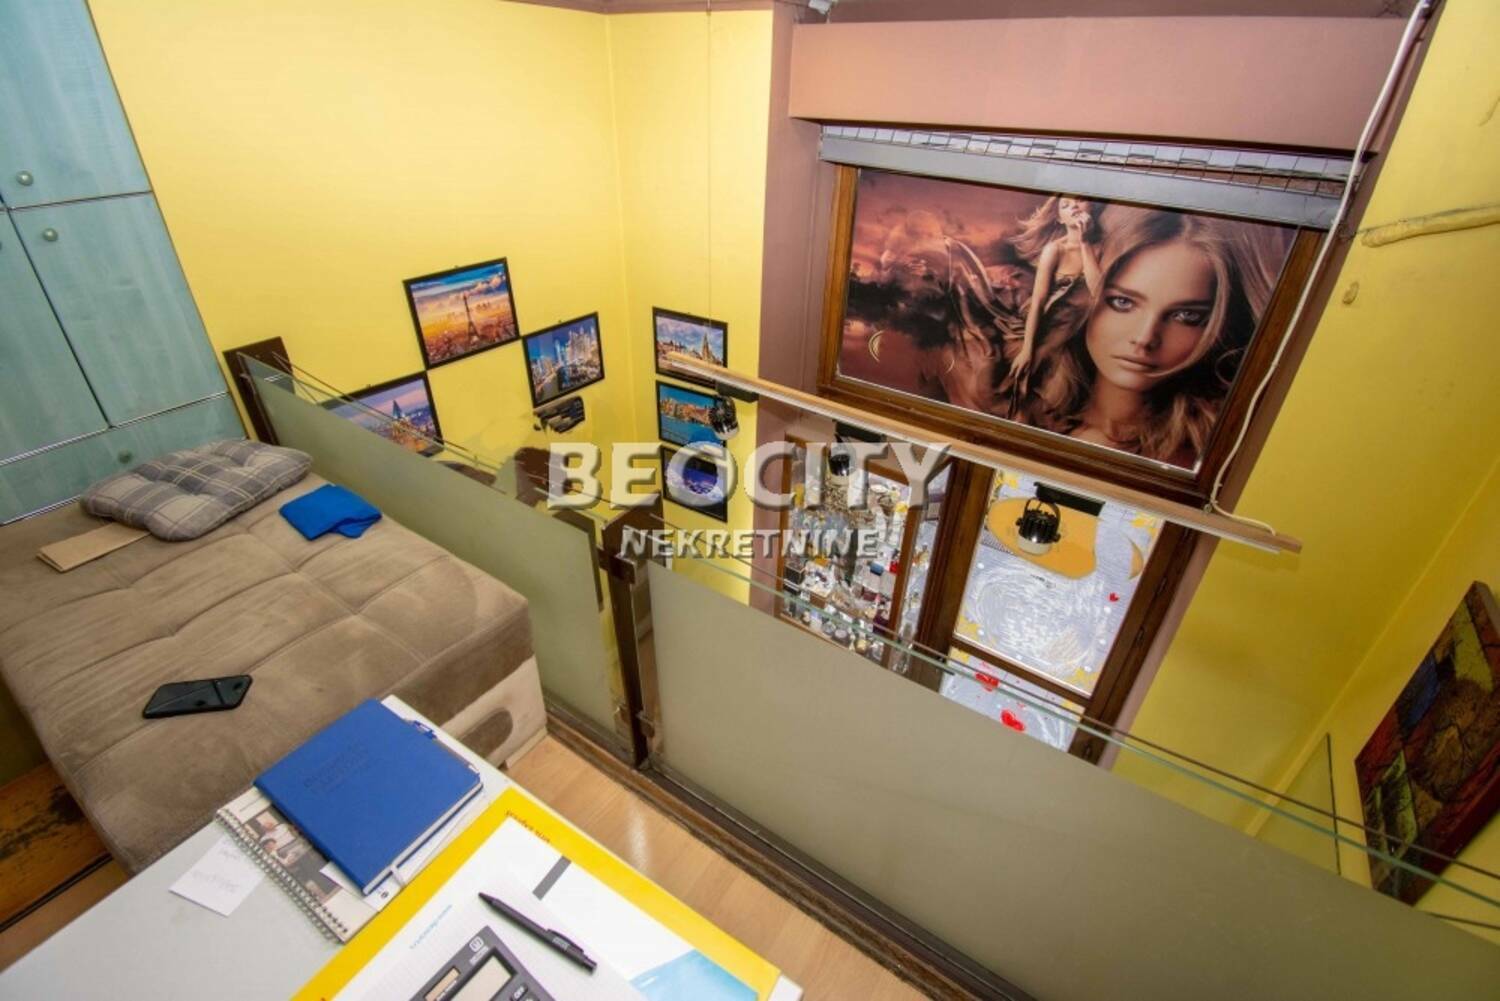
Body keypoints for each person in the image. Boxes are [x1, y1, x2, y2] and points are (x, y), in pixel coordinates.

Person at [1023, 205, 1288, 468]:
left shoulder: (1207, 459)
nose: (1145, 338)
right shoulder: (1026, 410)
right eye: (1123, 302)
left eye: (1186, 316)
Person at [1007, 196, 1104, 396]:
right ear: (1060, 219)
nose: (1074, 206)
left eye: (1079, 200)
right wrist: (1027, 350)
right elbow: (1038, 301)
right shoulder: (1055, 250)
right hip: (1052, 326)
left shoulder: (1103, 246)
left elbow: (1098, 292)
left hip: (1086, 331)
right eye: (1065, 205)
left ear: (1091, 207)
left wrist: (1085, 243)